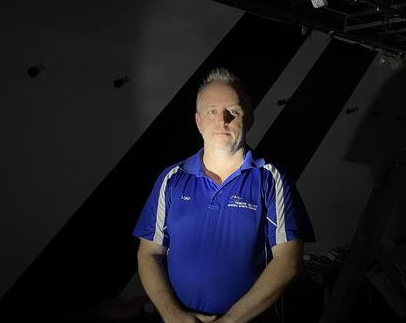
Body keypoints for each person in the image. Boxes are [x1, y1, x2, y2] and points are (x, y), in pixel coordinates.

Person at [133, 68, 314, 322]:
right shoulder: (171, 179)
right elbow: (149, 253)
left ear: (248, 119)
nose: (222, 120)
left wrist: (230, 320)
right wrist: (173, 315)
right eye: (212, 111)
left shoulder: (271, 180)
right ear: (198, 121)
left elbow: (289, 262)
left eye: (234, 111)